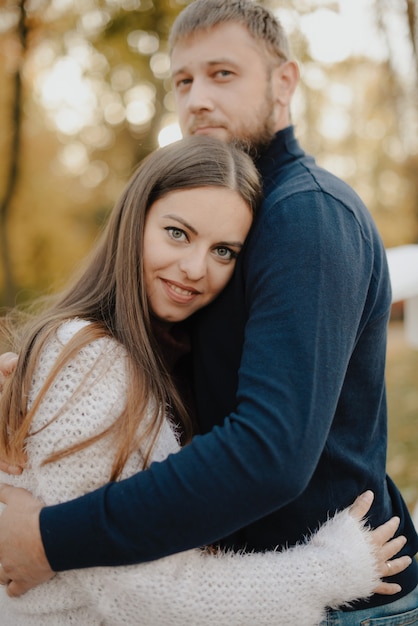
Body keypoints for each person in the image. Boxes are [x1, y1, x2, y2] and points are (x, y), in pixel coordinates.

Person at [0, 1, 417, 623]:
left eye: (223, 74)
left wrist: (52, 539)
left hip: (336, 603)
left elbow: (269, 451)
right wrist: (28, 391)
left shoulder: (305, 215)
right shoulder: (226, 205)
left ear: (283, 83)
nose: (196, 98)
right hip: (235, 590)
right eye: (183, 80)